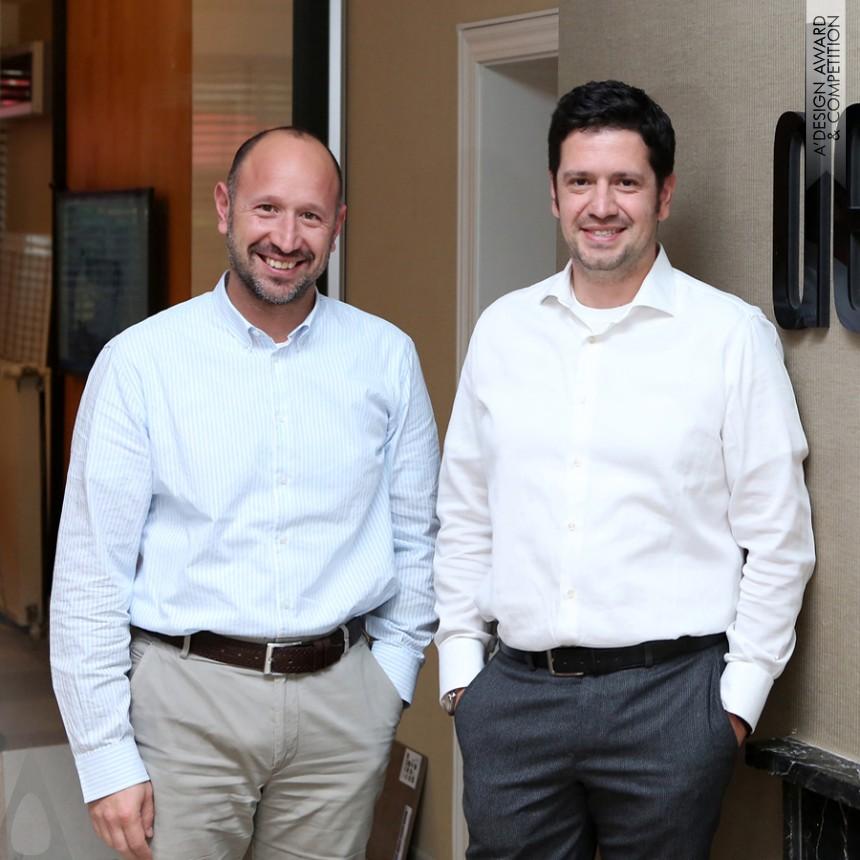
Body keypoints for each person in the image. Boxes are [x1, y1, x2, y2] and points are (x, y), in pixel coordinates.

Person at [434, 80, 814, 859]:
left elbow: (780, 537)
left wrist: (733, 707)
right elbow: (465, 512)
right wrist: (463, 674)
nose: (601, 205)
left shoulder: (729, 336)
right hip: (515, 701)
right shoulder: (503, 331)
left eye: (625, 183)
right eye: (580, 181)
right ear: (554, 194)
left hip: (671, 704)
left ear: (663, 194)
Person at [51, 127, 440, 860]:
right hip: (184, 709)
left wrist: (388, 682)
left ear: (338, 225)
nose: (286, 239)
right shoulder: (141, 363)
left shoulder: (386, 357)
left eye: (310, 216)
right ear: (225, 207)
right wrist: (104, 756)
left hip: (342, 711)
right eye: (267, 209)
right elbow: (89, 572)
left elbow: (417, 536)